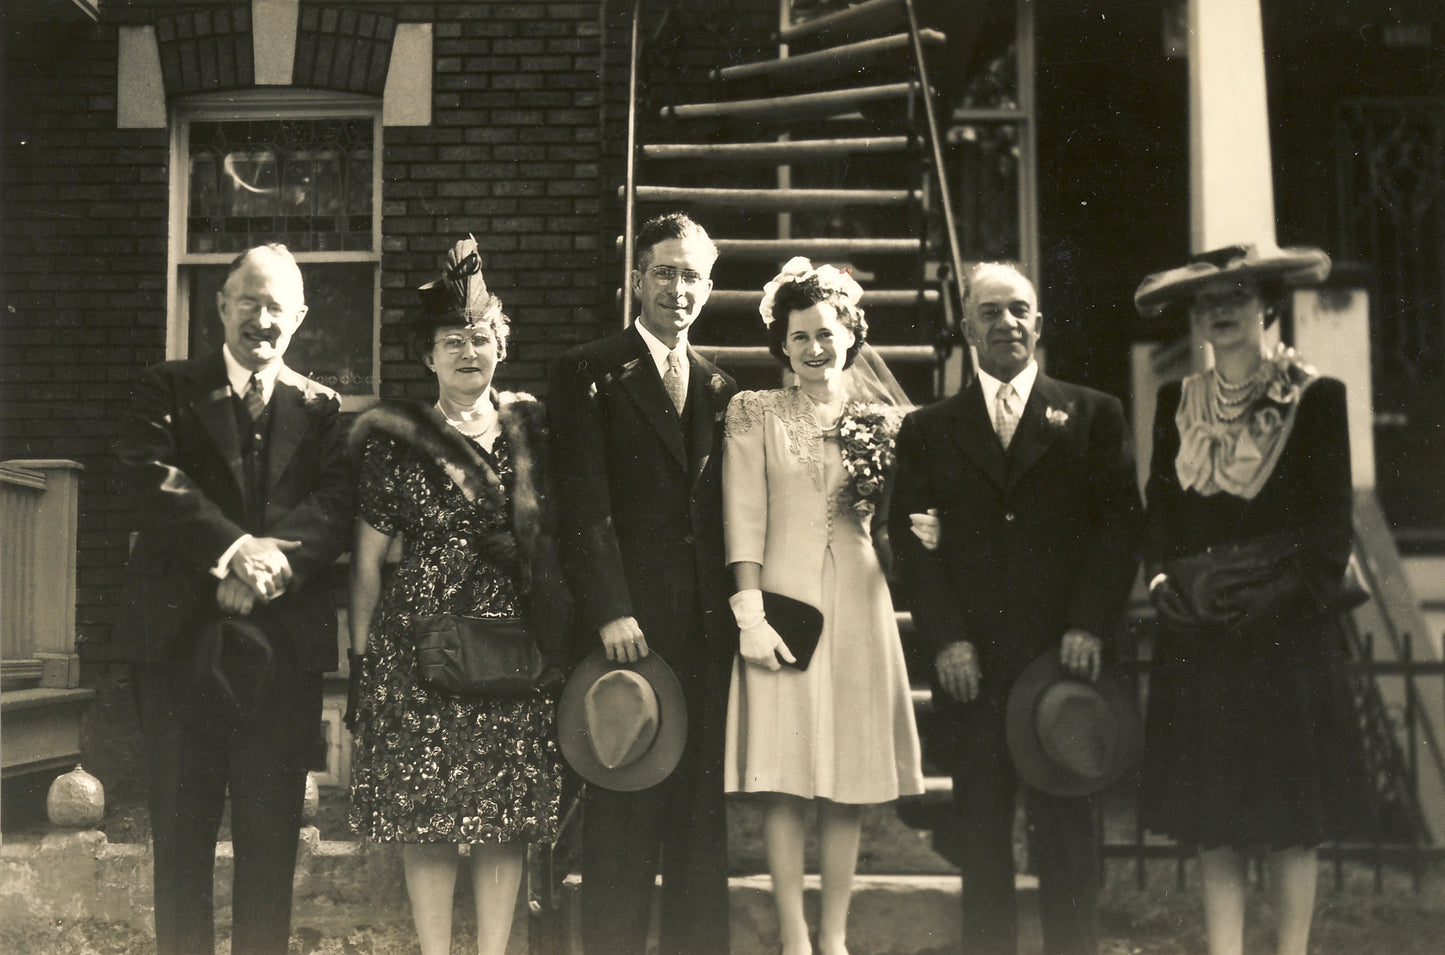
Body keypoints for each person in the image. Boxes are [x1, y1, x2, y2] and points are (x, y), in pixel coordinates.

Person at [888, 262, 1143, 955]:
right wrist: (944, 641)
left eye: (1019, 310)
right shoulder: (929, 430)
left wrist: (1088, 622)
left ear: (1038, 322)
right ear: (966, 328)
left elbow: (1118, 529)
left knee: (1066, 838)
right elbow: (912, 546)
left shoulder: (1092, 415)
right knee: (981, 838)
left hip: (1063, 660)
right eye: (990, 312)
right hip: (971, 665)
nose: (1007, 323)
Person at [1132, 244, 1373, 955]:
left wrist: (1268, 605)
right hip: (1200, 633)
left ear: (1267, 305)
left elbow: (1329, 532)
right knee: (1216, 817)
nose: (1222, 311)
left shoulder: (1314, 396)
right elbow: (1160, 514)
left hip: (1281, 631)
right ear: (1195, 319)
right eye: (1208, 302)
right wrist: (1159, 584)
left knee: (1289, 817)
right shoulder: (1177, 403)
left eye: (1237, 297)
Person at [114, 243, 353, 955]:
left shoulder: (320, 407)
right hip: (179, 646)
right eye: (247, 299)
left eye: (277, 303)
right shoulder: (166, 388)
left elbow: (336, 504)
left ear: (300, 315)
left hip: (280, 656)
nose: (261, 316)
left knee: (269, 842)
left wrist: (265, 566)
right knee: (180, 842)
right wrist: (231, 551)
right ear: (220, 305)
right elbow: (147, 476)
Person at [346, 237, 568, 955]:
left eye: (480, 337)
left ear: (500, 343)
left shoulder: (533, 431)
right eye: (452, 341)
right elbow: (368, 562)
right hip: (418, 649)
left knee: (505, 818)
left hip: (512, 646)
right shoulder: (395, 440)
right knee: (425, 816)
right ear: (428, 357)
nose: (468, 352)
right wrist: (361, 666)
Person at [722, 258, 924, 955]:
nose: (814, 348)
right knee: (785, 780)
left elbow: (901, 520)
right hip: (783, 602)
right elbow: (743, 516)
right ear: (782, 343)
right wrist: (748, 610)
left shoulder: (883, 421)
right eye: (800, 335)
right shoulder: (753, 412)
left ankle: (834, 936)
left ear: (851, 335)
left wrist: (920, 526)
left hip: (860, 603)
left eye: (827, 333)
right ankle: (793, 935)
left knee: (846, 779)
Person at [548, 212, 737, 955]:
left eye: (692, 275)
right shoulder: (589, 371)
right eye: (664, 271)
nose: (678, 288)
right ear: (636, 279)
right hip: (626, 634)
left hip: (704, 632)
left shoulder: (723, 386)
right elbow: (581, 502)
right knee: (623, 817)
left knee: (699, 828)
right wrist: (611, 609)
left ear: (709, 286)